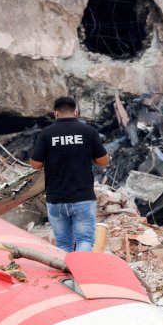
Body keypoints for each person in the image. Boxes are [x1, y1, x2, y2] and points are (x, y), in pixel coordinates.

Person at [30, 96, 110, 253]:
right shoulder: (88, 132)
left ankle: (66, 277)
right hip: (82, 198)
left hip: (56, 199)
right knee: (85, 240)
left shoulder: (46, 134)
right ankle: (80, 275)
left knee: (63, 245)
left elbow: (35, 164)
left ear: (55, 113)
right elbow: (103, 162)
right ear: (76, 112)